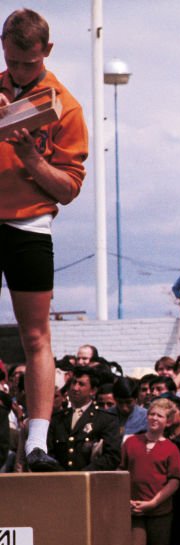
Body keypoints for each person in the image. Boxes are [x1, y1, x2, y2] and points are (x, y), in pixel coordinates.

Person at [1, 8, 88, 472]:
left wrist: (32, 158)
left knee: (35, 334)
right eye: (12, 62)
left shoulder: (66, 106)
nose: (18, 72)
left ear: (47, 52)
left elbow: (70, 188)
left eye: (28, 65)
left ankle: (37, 441)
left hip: (29, 223)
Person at [122, 398, 180, 545]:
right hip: (134, 511)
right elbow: (120, 472)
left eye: (160, 416)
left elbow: (174, 481)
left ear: (168, 422)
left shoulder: (171, 448)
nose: (154, 418)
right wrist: (126, 499)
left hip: (160, 513)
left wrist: (153, 503)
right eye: (151, 414)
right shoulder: (131, 442)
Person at [46, 367, 120, 471]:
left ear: (93, 391)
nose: (75, 388)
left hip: (91, 482)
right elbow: (48, 452)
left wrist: (82, 475)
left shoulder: (105, 420)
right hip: (61, 481)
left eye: (81, 384)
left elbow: (112, 457)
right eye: (73, 383)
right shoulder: (57, 419)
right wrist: (62, 475)